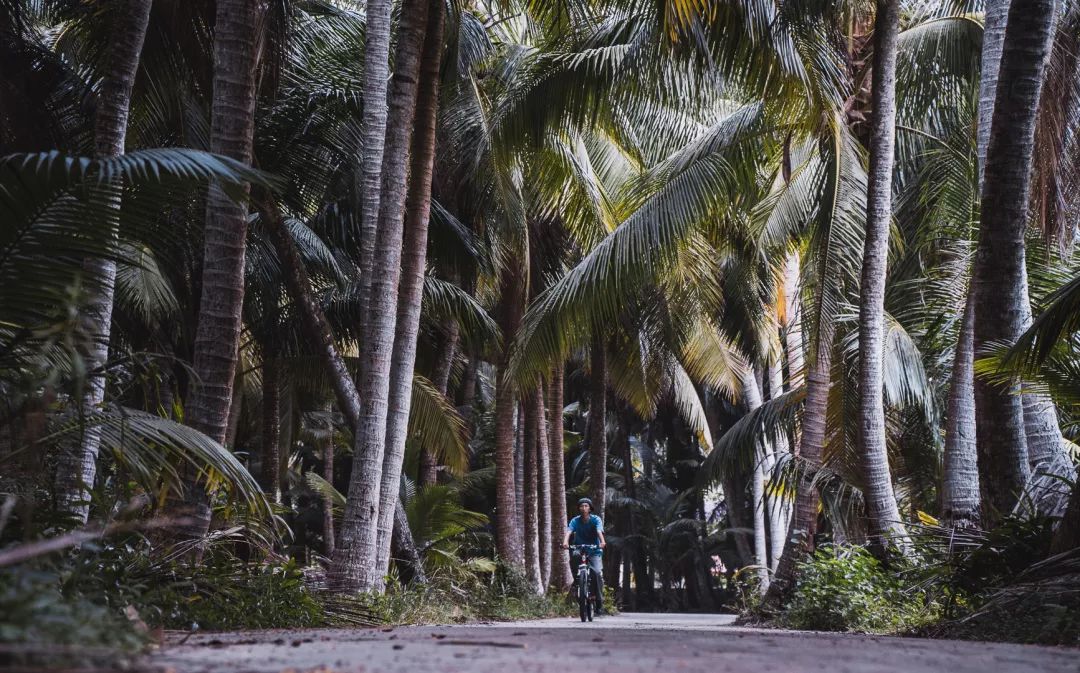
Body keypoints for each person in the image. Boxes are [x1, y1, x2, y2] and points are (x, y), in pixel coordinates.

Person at [562, 497, 607, 614]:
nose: (583, 508)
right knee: (573, 561)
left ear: (590, 508)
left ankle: (599, 601)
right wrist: (565, 542)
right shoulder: (575, 521)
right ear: (579, 508)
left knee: (596, 572)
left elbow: (599, 531)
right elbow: (569, 532)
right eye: (581, 506)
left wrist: (602, 542)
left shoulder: (596, 519)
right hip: (579, 548)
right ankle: (579, 581)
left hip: (594, 550)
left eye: (586, 506)